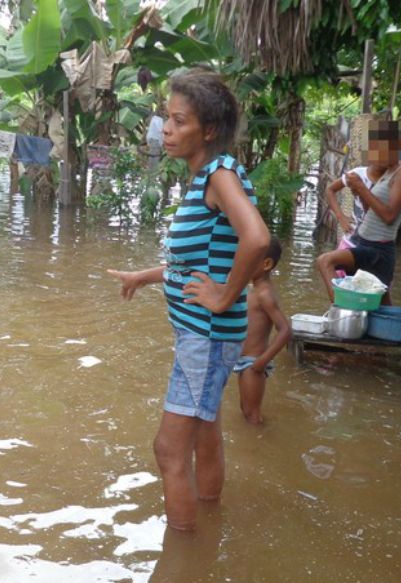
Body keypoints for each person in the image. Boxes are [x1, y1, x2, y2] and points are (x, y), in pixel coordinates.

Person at [108, 68, 270, 531]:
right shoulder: (206, 180)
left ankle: (184, 558)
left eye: (179, 121)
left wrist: (224, 296)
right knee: (205, 434)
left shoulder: (218, 174)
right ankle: (210, 524)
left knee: (168, 450)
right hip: (204, 335)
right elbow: (202, 262)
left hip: (206, 334)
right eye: (167, 118)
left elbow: (256, 239)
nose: (167, 129)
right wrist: (148, 275)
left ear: (209, 130)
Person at [316, 120, 401, 306]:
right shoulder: (388, 172)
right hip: (365, 243)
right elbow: (373, 211)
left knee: (325, 261)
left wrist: (362, 189)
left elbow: (389, 216)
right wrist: (359, 193)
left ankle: (341, 309)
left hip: (377, 250)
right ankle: (348, 315)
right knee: (381, 308)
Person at [232, 235, 291, 425]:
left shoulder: (264, 294)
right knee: (246, 410)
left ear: (266, 264)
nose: (242, 262)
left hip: (253, 364)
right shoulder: (255, 290)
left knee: (252, 415)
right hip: (244, 361)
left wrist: (262, 361)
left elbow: (285, 330)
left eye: (248, 259)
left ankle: (258, 446)